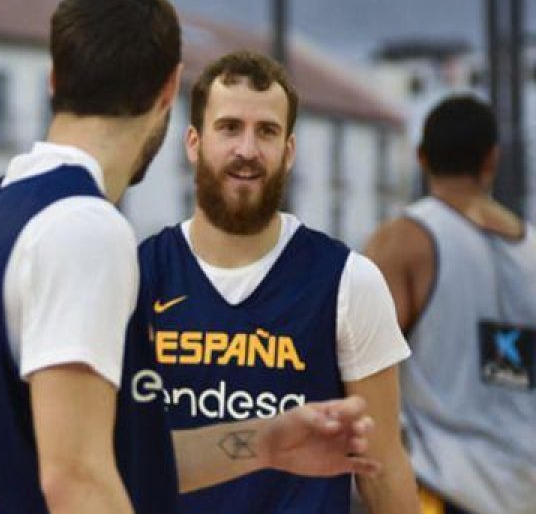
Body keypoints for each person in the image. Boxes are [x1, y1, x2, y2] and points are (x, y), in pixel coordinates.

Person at [0, 0, 380, 514]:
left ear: (54, 78)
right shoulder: (81, 226)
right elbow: (78, 480)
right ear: (170, 89)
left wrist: (267, 442)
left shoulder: (0, 211)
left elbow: (112, 457)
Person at [137, 51, 419, 513]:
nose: (247, 149)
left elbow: (384, 466)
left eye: (266, 132)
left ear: (288, 152)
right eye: (229, 128)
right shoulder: (140, 276)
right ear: (193, 142)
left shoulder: (349, 280)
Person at [364, 95, 536, 514]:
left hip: (440, 488)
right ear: (491, 159)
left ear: (421, 157)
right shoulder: (532, 247)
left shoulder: (406, 240)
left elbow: (358, 366)